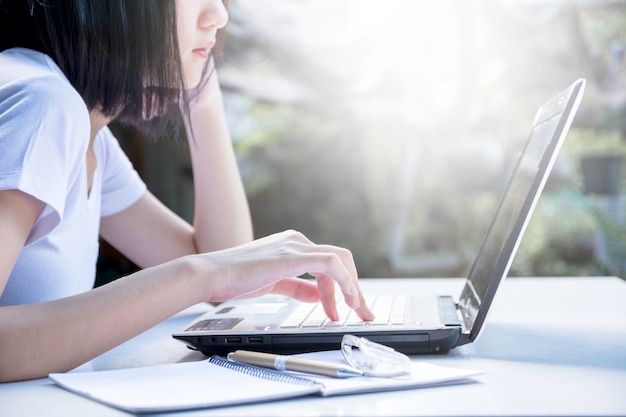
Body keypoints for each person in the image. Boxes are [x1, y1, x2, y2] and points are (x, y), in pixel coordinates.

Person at [0, 0, 374, 383]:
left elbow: (222, 270)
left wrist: (203, 97)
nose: (220, 15)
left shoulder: (89, 135)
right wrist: (201, 275)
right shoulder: (43, 104)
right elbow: (211, 271)